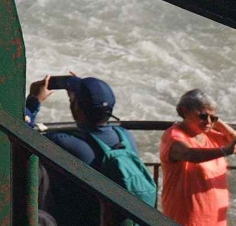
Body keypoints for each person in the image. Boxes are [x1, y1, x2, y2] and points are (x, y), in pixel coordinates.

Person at [25, 74, 156, 226]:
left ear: (78, 108)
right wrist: (88, 93)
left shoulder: (64, 143)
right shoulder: (126, 137)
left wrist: (34, 101)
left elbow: (22, 134)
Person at [159, 89, 236, 225]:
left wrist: (216, 121)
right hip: (188, 217)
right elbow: (189, 153)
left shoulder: (209, 133)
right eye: (202, 116)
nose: (207, 122)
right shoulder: (173, 136)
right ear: (184, 111)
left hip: (215, 218)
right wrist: (224, 151)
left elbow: (235, 141)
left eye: (212, 118)